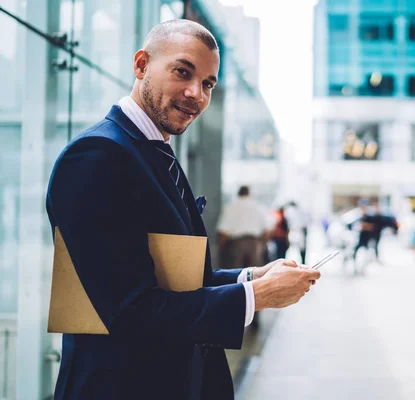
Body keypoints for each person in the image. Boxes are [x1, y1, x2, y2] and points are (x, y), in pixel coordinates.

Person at [46, 19, 320, 400]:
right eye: (182, 72)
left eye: (208, 84)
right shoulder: (98, 156)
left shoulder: (153, 152)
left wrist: (251, 275)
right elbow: (131, 310)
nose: (196, 94)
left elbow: (178, 280)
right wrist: (257, 295)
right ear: (141, 65)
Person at [217, 185, 268, 269]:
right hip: (254, 243)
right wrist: (262, 244)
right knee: (254, 274)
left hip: (236, 244)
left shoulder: (230, 207)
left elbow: (223, 231)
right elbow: (268, 229)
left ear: (238, 193)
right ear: (249, 194)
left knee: (236, 272)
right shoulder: (258, 207)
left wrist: (220, 247)